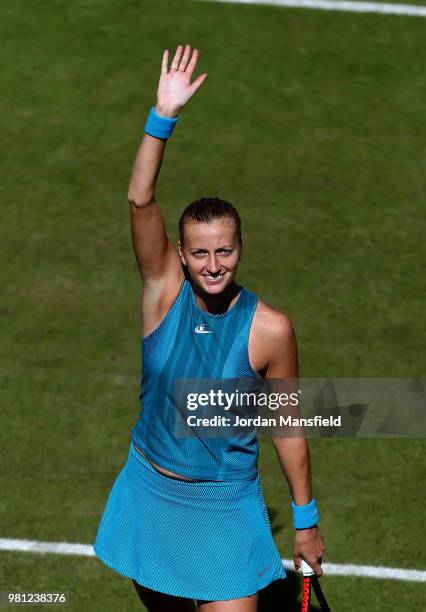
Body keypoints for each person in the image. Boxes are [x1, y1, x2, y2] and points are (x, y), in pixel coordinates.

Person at [93, 44, 325, 611]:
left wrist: (305, 521)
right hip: (152, 494)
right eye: (199, 253)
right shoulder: (162, 294)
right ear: (180, 253)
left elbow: (288, 425)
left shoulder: (270, 329)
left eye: (224, 250)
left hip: (225, 508)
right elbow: (138, 197)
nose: (213, 264)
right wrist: (162, 118)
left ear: (241, 249)